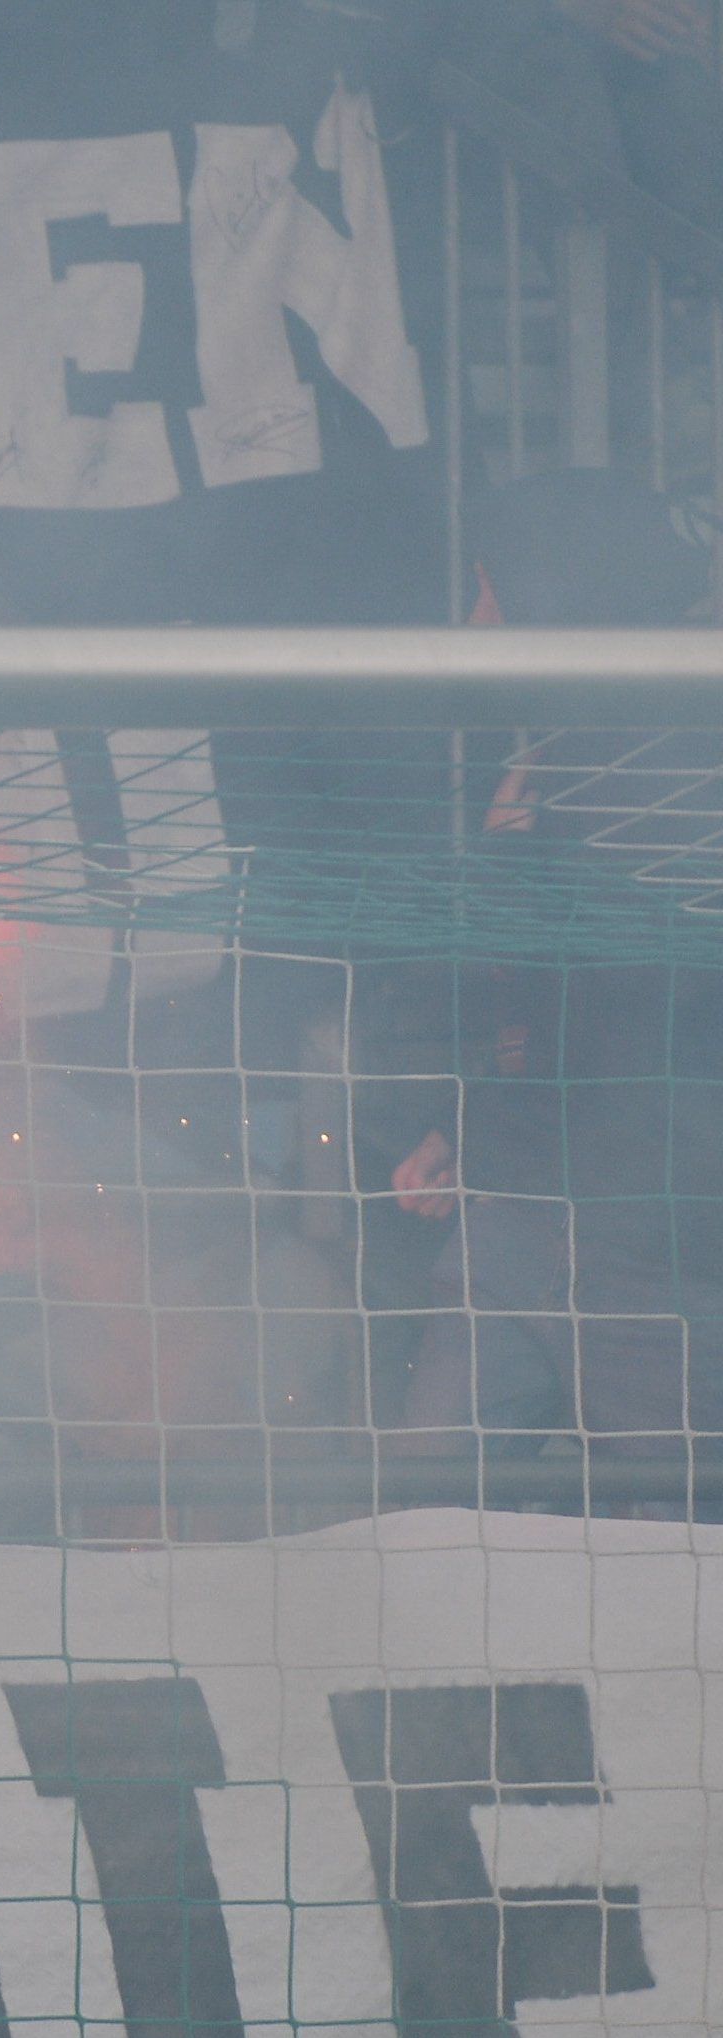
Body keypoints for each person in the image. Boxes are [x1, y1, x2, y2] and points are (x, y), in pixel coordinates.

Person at [386, 471, 723, 1486]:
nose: (472, 618)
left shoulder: (673, 756)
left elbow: (645, 1005)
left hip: (643, 1238)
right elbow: (537, 987)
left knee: (666, 1536)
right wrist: (467, 1123)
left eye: (489, 590)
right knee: (424, 1507)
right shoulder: (551, 753)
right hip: (510, 1210)